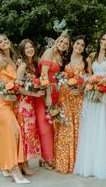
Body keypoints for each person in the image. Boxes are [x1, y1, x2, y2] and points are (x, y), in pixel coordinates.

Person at [74, 31, 106, 179]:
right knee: (93, 129)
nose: (104, 42)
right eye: (103, 39)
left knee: (105, 129)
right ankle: (91, 164)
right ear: (99, 40)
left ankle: (105, 164)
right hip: (92, 97)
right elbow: (90, 76)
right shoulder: (92, 56)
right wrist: (91, 86)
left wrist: (105, 91)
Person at [0, 34, 29, 184]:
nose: (4, 42)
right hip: (0, 101)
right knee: (13, 132)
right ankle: (13, 169)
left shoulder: (12, 59)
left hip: (10, 101)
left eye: (5, 39)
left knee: (4, 134)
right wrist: (2, 94)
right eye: (0, 41)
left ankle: (3, 166)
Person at [54, 36, 89, 173]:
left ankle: (77, 162)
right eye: (77, 43)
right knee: (66, 127)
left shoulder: (86, 61)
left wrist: (80, 88)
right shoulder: (64, 58)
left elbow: (89, 78)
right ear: (73, 44)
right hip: (64, 97)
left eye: (82, 45)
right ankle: (64, 161)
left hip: (78, 96)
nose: (79, 46)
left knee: (78, 127)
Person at [35, 33, 70, 169]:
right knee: (45, 128)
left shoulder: (60, 57)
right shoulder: (49, 52)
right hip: (46, 94)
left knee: (53, 126)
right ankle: (47, 158)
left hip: (57, 94)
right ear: (56, 41)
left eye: (66, 43)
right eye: (61, 41)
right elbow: (44, 75)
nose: (62, 44)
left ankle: (47, 156)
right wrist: (48, 95)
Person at [14, 39, 44, 175]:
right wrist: (34, 93)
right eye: (26, 48)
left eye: (31, 46)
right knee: (25, 133)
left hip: (30, 104)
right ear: (22, 51)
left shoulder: (33, 64)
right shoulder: (23, 66)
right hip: (23, 104)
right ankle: (23, 164)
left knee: (29, 133)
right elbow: (17, 87)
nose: (30, 49)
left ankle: (24, 163)